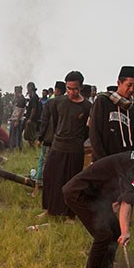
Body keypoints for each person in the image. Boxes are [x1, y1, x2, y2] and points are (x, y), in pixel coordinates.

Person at [41, 71, 91, 219]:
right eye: (68, 88)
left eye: (75, 89)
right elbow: (56, 121)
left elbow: (87, 131)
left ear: (81, 87)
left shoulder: (87, 106)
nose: (71, 92)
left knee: (71, 182)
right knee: (50, 177)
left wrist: (77, 140)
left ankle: (70, 215)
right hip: (57, 146)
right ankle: (50, 209)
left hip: (75, 149)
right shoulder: (58, 102)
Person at [89, 65, 134, 161]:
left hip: (125, 162)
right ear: (119, 83)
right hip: (104, 161)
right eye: (129, 85)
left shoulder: (131, 108)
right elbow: (94, 133)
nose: (132, 89)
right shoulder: (103, 101)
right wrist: (103, 160)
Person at [32, 81, 64, 198]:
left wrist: (40, 138)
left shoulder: (50, 103)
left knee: (43, 163)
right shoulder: (67, 103)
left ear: (57, 90)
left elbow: (45, 122)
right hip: (61, 141)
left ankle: (38, 188)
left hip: (49, 139)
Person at [23, 82, 41, 146]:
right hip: (31, 119)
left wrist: (30, 118)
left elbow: (34, 109)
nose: (27, 90)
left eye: (28, 88)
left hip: (32, 119)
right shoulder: (32, 97)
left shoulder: (34, 97)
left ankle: (33, 147)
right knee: (28, 135)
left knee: (31, 135)